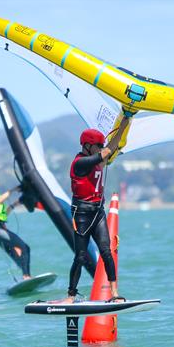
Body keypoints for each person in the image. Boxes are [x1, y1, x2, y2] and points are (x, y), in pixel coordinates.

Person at [61, 128, 122, 304]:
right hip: (81, 214)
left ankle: (115, 293)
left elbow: (112, 146)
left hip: (98, 212)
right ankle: (71, 296)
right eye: (98, 146)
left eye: (101, 145)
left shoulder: (97, 162)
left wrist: (126, 120)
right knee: (80, 256)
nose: (100, 148)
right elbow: (108, 150)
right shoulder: (79, 163)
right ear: (87, 146)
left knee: (106, 251)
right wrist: (125, 120)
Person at [0, 172, 32, 280]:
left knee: (24, 248)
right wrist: (12, 190)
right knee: (24, 247)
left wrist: (16, 203)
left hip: (1, 228)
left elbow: (4, 214)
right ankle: (26, 276)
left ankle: (26, 275)